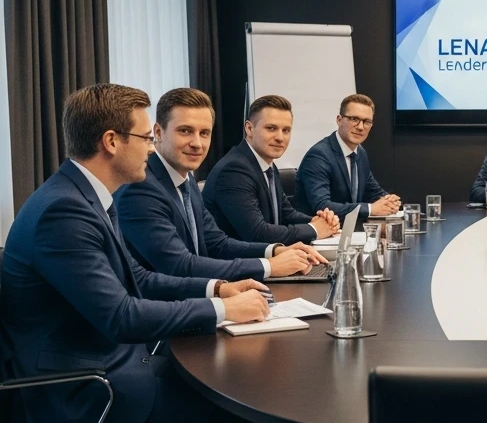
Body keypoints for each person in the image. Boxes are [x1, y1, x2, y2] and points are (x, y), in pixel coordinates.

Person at [0, 84, 288, 423]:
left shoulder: (85, 195)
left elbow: (136, 278)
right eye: (143, 137)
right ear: (111, 141)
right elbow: (120, 314)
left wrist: (217, 289)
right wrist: (223, 312)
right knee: (213, 415)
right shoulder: (64, 214)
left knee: (226, 387)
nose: (152, 148)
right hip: (74, 389)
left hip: (101, 363)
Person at [117, 87, 327, 280]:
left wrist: (275, 250)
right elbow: (179, 265)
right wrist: (269, 266)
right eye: (185, 131)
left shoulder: (185, 177)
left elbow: (216, 242)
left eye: (204, 133)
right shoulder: (141, 187)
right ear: (159, 132)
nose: (197, 143)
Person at [203, 95, 340, 244]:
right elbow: (257, 233)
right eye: (271, 128)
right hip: (239, 262)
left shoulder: (267, 165)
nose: (280, 138)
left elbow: (286, 213)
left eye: (286, 130)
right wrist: (314, 229)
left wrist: (318, 221)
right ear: (249, 129)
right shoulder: (234, 170)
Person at [295, 93, 402, 219]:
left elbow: (373, 191)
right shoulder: (319, 155)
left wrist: (389, 201)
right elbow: (321, 205)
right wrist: (370, 209)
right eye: (354, 119)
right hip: (316, 234)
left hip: (348, 231)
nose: (360, 127)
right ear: (339, 120)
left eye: (367, 122)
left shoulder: (360, 152)